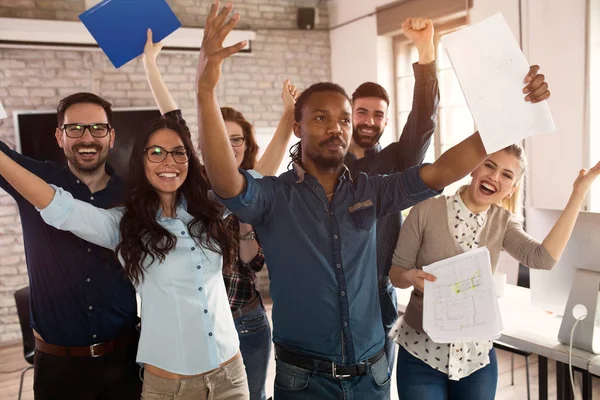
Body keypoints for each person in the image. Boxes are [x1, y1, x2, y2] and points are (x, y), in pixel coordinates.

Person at [193, 3, 550, 398]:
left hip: (373, 376)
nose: (337, 128)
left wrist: (510, 114)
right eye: (321, 118)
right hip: (304, 381)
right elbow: (228, 183)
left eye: (344, 119)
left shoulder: (371, 190)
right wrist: (206, 90)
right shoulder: (275, 195)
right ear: (297, 125)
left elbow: (442, 171)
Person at [0, 116, 250, 399]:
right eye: (156, 152)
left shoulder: (209, 210)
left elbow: (255, 185)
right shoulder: (123, 225)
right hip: (170, 387)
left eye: (178, 152)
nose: (169, 161)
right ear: (141, 161)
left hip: (230, 375)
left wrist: (285, 121)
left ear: (189, 160)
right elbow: (59, 206)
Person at [142, 29, 299, 400]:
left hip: (247, 320)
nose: (229, 147)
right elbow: (173, 117)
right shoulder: (194, 184)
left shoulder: (256, 191)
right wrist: (150, 64)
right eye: (220, 138)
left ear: (247, 146)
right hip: (198, 327)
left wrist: (290, 115)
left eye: (237, 140)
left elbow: (269, 168)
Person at [389, 145, 600, 400]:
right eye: (489, 165)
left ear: (512, 188)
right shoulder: (425, 211)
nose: (494, 177)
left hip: (476, 359)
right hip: (421, 353)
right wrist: (411, 277)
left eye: (507, 175)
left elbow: (543, 258)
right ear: (474, 167)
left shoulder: (504, 223)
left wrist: (579, 193)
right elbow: (396, 274)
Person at [0, 93, 141, 399]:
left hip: (125, 361)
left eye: (97, 128)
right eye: (75, 128)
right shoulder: (34, 179)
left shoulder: (134, 194)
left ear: (111, 136)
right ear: (59, 136)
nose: (87, 138)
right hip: (57, 368)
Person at [346, 17, 439, 373]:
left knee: (379, 376)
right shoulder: (327, 162)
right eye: (362, 112)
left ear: (386, 121)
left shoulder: (398, 159)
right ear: (350, 114)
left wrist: (425, 53)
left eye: (378, 115)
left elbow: (423, 119)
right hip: (332, 288)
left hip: (379, 289)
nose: (369, 121)